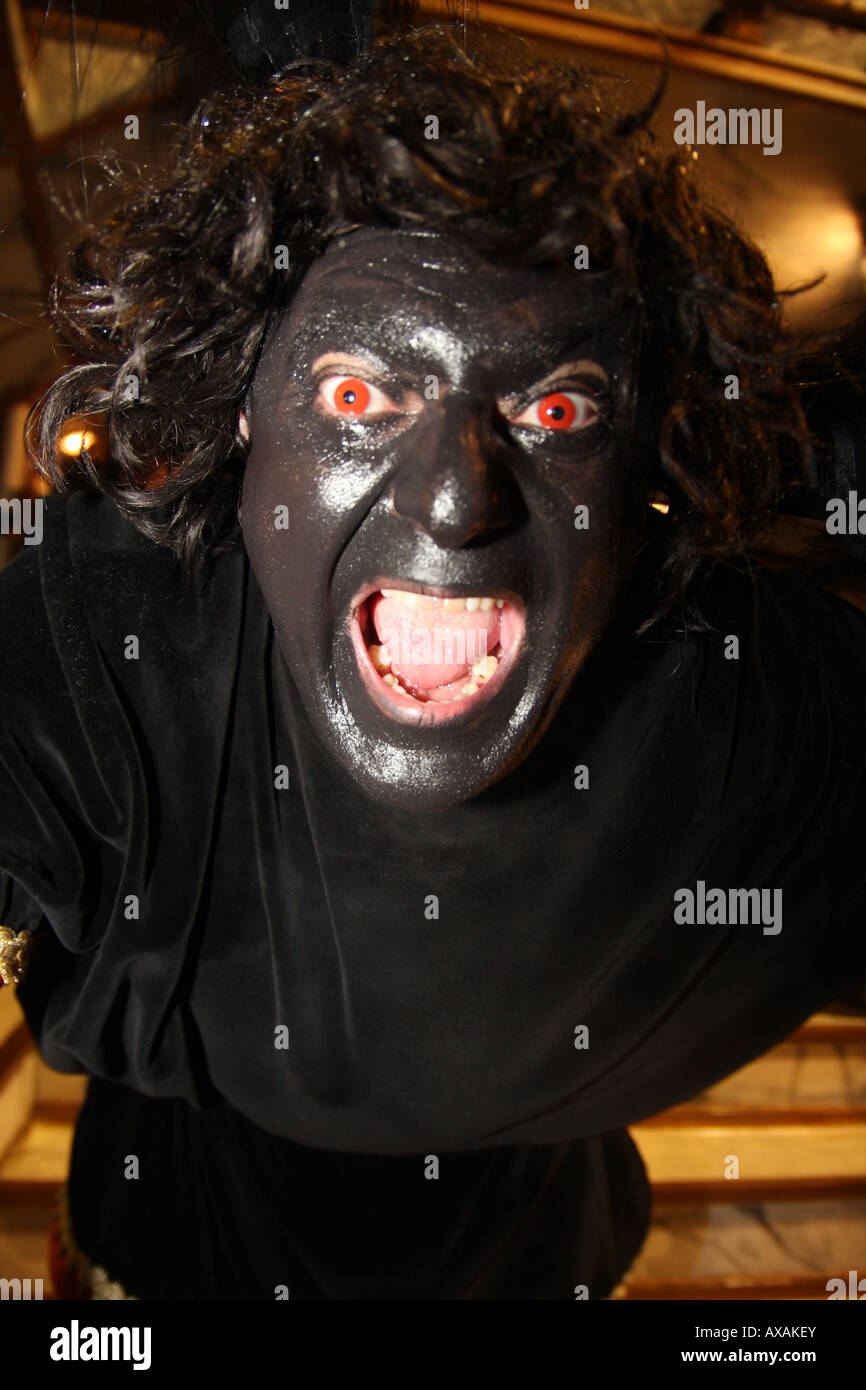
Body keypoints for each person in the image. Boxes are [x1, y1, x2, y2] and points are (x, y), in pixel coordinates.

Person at [1, 19, 864, 1300]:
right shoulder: (116, 622)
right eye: (359, 397)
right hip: (184, 1234)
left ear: (634, 479)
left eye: (554, 410)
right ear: (247, 415)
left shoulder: (749, 712)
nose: (459, 502)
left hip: (530, 1246)